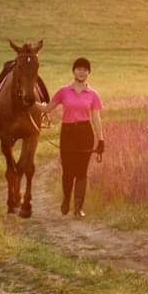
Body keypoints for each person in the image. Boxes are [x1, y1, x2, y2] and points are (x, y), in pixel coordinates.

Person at [43, 56, 104, 217]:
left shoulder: (93, 94)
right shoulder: (63, 91)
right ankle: (66, 199)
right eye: (79, 69)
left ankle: (78, 208)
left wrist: (101, 139)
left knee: (82, 172)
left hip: (85, 133)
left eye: (85, 69)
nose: (82, 72)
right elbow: (47, 109)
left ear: (88, 72)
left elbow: (96, 118)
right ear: (73, 71)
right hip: (68, 133)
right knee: (68, 171)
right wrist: (28, 104)